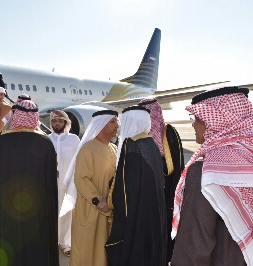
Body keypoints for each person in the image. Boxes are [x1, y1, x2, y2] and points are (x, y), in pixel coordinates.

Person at [171, 86, 252, 265]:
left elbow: (193, 248)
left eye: (197, 117)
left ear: (215, 121)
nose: (193, 124)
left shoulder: (207, 171)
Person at [0, 99, 59, 266]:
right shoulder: (46, 143)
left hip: (3, 212)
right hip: (35, 214)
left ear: (15, 116)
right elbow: (50, 185)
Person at [105, 105, 166, 266]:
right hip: (153, 211)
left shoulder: (130, 146)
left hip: (136, 214)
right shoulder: (151, 143)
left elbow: (124, 189)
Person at [61, 109, 119, 266]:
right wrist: (98, 200)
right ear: (101, 125)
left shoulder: (113, 149)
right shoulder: (87, 149)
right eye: (113, 122)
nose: (117, 125)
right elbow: (81, 179)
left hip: (108, 210)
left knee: (101, 253)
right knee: (86, 252)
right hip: (91, 210)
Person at [138, 97, 184, 263]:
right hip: (145, 197)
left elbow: (176, 166)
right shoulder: (136, 137)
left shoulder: (169, 133)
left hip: (167, 195)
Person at [48, 110, 80, 257]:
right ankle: (52, 241)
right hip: (50, 184)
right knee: (51, 213)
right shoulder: (47, 139)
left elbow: (79, 162)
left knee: (67, 214)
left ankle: (66, 243)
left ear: (65, 123)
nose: (57, 124)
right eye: (54, 121)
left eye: (60, 121)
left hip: (68, 184)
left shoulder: (74, 140)